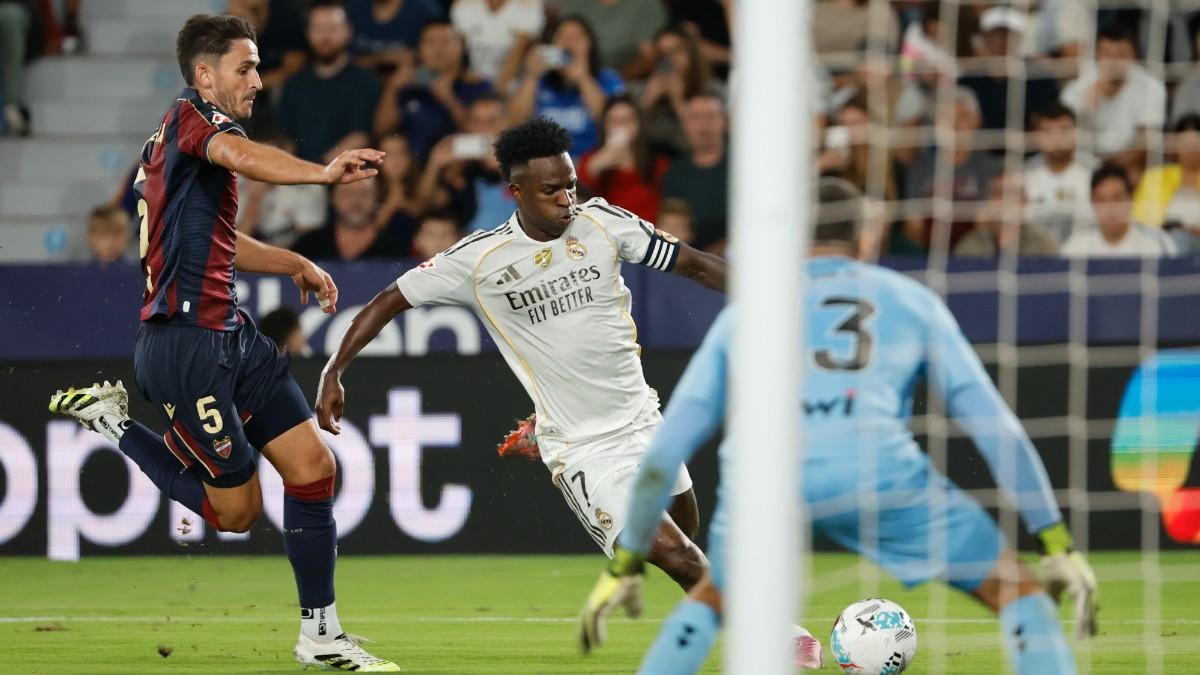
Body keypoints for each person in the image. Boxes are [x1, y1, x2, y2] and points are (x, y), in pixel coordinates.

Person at [579, 178, 1100, 675]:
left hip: (767, 483)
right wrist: (1055, 541)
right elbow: (995, 426)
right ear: (868, 236)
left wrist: (626, 561)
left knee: (709, 606)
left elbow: (669, 445)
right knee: (1020, 597)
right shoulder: (911, 301)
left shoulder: (752, 313)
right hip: (879, 474)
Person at [46, 15, 397, 671]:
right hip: (184, 348)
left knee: (314, 468)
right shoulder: (191, 122)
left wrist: (292, 261)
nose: (258, 81)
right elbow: (242, 156)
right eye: (245, 67)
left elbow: (220, 243)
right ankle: (114, 424)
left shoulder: (182, 143)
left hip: (229, 332)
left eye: (259, 66)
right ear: (204, 75)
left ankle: (321, 634)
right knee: (237, 512)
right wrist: (322, 175)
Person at [316, 116, 728, 621]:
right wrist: (333, 370)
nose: (566, 200)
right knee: (677, 556)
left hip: (644, 418)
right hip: (582, 446)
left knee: (685, 538)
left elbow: (696, 264)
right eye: (551, 190)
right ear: (516, 192)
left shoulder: (604, 224)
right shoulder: (480, 259)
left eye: (571, 186)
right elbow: (388, 300)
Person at [372, 20, 494, 160]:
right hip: (413, 169)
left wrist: (449, 98)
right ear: (419, 49)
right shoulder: (408, 86)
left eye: (446, 41)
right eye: (430, 42)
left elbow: (484, 139)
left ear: (462, 46)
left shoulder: (478, 86)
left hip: (462, 166)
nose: (438, 49)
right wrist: (393, 88)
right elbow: (380, 130)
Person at [276, 1, 380, 163]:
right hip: (297, 175)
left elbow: (360, 136)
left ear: (348, 31)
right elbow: (287, 137)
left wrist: (321, 171)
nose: (325, 37)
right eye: (318, 29)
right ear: (307, 33)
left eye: (332, 28)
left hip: (339, 172)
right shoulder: (295, 83)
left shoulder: (363, 81)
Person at [506, 15, 624, 157]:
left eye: (576, 37)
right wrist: (531, 77)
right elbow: (514, 124)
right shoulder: (538, 80)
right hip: (544, 166)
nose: (568, 43)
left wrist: (583, 79)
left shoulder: (608, 78)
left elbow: (613, 123)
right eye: (561, 36)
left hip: (592, 164)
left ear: (590, 44)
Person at [903, 86, 1002, 252]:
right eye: (947, 118)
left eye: (962, 117)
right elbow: (912, 225)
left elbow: (987, 222)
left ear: (976, 120)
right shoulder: (920, 168)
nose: (955, 125)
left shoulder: (993, 168)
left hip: (976, 255)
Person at [1060, 23, 1166, 160]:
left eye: (1121, 54)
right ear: (1097, 55)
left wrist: (1108, 170)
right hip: (1084, 162)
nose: (1114, 61)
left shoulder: (1152, 87)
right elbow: (1064, 138)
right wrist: (1087, 107)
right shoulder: (1078, 87)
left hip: (1129, 163)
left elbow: (1146, 145)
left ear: (1134, 55)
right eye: (1107, 54)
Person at [415, 93, 515, 232]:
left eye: (492, 121)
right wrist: (434, 165)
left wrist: (501, 167)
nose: (483, 128)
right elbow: (425, 205)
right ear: (467, 126)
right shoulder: (460, 167)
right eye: (476, 121)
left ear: (507, 123)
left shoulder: (525, 158)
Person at [957, 5, 1059, 133]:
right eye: (995, 34)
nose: (1001, 41)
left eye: (1008, 34)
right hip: (980, 149)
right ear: (984, 37)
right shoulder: (970, 78)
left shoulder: (1039, 75)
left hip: (1031, 149)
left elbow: (1051, 117)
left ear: (1019, 37)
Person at [578, 94, 668, 219]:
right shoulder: (590, 160)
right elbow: (577, 200)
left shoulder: (657, 163)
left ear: (638, 125)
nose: (620, 127)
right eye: (614, 121)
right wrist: (596, 166)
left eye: (626, 121)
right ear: (605, 126)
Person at [1061, 164, 1179, 258]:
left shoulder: (1155, 245)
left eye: (1117, 198)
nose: (1110, 208)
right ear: (1092, 203)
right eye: (1101, 200)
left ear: (1131, 200)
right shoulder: (1075, 247)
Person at [661, 93, 728, 252]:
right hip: (688, 264)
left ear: (725, 122)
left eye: (711, 116)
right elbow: (671, 227)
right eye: (696, 117)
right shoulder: (674, 173)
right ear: (684, 124)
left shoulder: (743, 170)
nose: (704, 125)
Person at [1024, 102, 1097, 243]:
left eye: (1064, 130)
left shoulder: (1096, 172)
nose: (1056, 139)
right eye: (1047, 131)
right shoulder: (1022, 176)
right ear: (1036, 136)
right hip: (1037, 256)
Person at [292, 177, 408, 261]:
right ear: (332, 198)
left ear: (377, 199)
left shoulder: (395, 250)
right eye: (347, 194)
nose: (355, 202)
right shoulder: (309, 245)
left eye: (364, 194)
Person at [551, 0, 667, 80]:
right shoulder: (575, 4)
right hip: (573, 79)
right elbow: (557, 43)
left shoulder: (646, 4)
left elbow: (648, 57)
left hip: (628, 83)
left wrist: (613, 81)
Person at [954, 171, 1059, 257]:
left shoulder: (1043, 246)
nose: (1004, 200)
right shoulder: (970, 246)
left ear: (1025, 200)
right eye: (997, 192)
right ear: (988, 200)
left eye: (1012, 193)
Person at [450, 0, 545, 92]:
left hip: (510, 83)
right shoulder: (464, 4)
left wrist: (497, 91)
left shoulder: (527, 5)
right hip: (472, 81)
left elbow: (520, 49)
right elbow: (458, 49)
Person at [344, 0, 445, 70]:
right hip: (360, 80)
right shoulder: (352, 8)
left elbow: (438, 61)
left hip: (413, 79)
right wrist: (383, 58)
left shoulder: (426, 10)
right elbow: (342, 60)